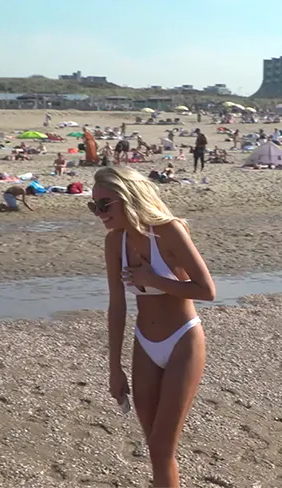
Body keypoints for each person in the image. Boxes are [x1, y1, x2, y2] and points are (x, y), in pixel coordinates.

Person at [89, 166, 216, 487]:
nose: (99, 214)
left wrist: (153, 279)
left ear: (128, 198)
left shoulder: (170, 231)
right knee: (155, 449)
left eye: (104, 205)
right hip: (144, 343)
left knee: (162, 447)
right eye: (93, 207)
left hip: (183, 340)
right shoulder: (114, 242)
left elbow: (206, 290)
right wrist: (113, 368)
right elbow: (117, 306)